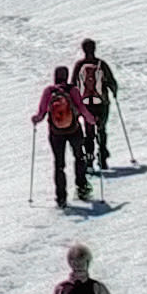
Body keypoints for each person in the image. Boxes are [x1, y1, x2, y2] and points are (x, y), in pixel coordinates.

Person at [33, 62, 94, 205]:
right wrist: (91, 120)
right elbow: (82, 109)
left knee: (59, 164)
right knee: (79, 157)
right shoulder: (72, 90)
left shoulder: (49, 91)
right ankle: (82, 188)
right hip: (74, 130)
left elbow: (41, 114)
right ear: (66, 77)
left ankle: (61, 197)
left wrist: (35, 119)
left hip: (56, 133)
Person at [70, 38, 120, 163]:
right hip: (102, 102)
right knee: (102, 129)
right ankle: (102, 157)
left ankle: (89, 159)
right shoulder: (101, 64)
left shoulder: (79, 65)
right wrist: (114, 93)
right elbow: (112, 82)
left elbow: (73, 84)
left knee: (89, 131)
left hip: (86, 103)